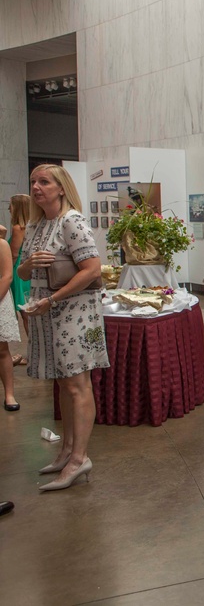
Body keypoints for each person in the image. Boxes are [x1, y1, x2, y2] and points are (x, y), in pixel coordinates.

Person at [18, 164, 108, 491]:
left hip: (74, 312)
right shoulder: (36, 225)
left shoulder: (72, 221)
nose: (37, 187)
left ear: (61, 187)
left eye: (45, 182)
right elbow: (25, 273)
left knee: (77, 386)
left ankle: (79, 458)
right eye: (33, 182)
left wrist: (53, 299)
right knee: (64, 386)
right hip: (46, 313)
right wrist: (29, 264)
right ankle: (66, 450)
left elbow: (92, 269)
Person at [8, 194, 30, 366]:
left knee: (26, 314)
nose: (9, 209)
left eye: (11, 206)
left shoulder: (18, 228)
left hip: (17, 272)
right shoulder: (31, 226)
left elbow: (14, 254)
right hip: (27, 271)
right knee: (28, 314)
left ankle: (33, 353)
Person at [0, 229, 20, 411]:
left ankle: (9, 394)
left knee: (2, 348)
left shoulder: (1, 244)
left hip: (0, 296)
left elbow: (7, 275)